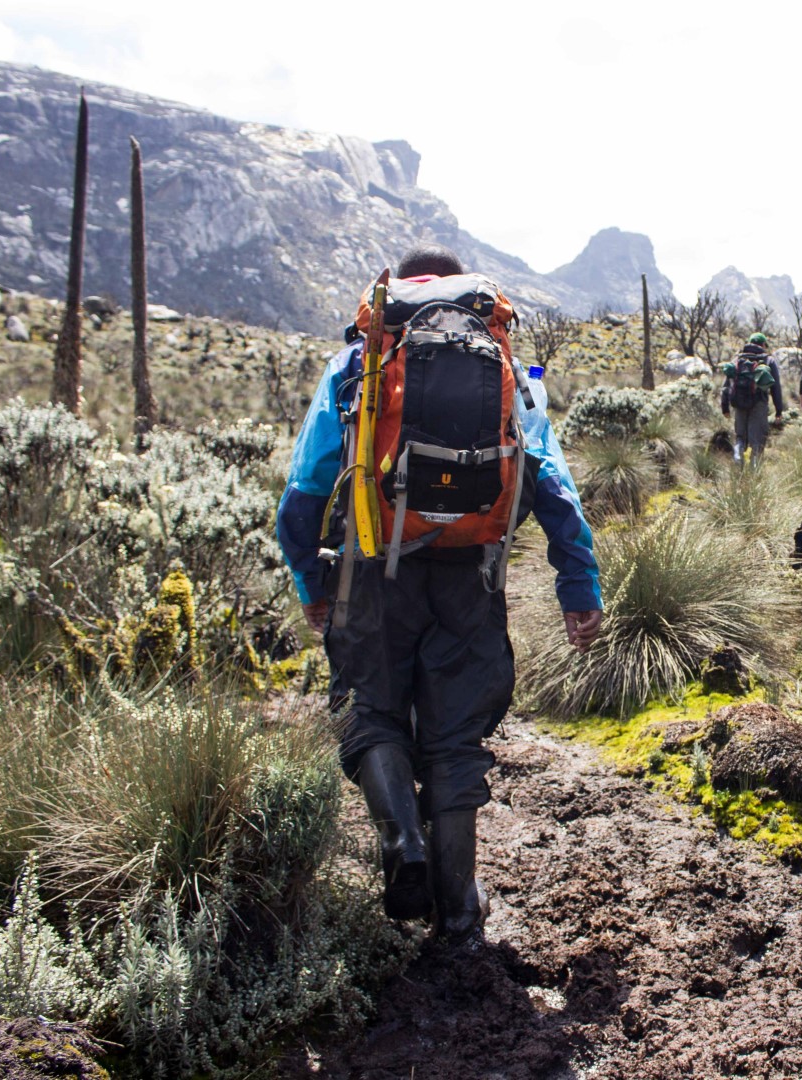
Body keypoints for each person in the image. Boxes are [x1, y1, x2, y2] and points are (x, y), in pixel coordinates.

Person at [276, 244, 602, 945]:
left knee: (371, 712)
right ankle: (458, 912)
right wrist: (580, 588)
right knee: (454, 740)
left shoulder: (362, 359)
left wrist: (312, 585)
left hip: (371, 571)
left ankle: (403, 845)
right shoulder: (505, 363)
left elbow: (301, 495)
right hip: (473, 574)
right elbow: (554, 488)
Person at [720, 332, 784, 463]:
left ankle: (738, 462)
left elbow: (726, 386)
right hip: (758, 404)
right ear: (763, 345)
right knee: (757, 441)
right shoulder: (768, 360)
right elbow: (775, 387)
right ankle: (755, 473)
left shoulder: (737, 360)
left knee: (740, 437)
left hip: (738, 403)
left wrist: (725, 407)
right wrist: (778, 410)